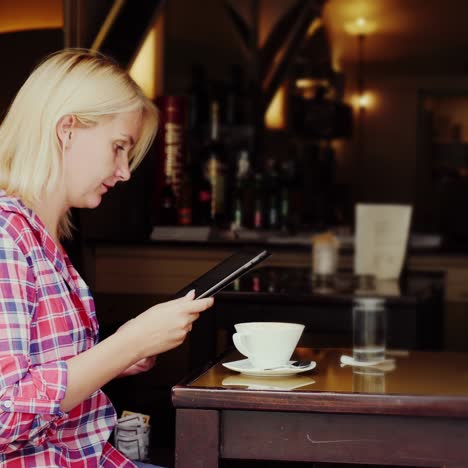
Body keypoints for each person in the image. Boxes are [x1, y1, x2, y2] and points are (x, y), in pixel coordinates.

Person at [0, 49, 214, 467]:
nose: (124, 171)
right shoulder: (6, 237)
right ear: (67, 130)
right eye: (118, 147)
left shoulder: (40, 237)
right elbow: (5, 416)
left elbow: (34, 375)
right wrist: (124, 344)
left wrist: (115, 362)